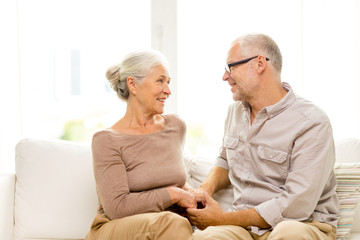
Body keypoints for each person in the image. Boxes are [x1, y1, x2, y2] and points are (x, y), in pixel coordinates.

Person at [187, 33, 340, 240]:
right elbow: (225, 161)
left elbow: (296, 206)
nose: (225, 76)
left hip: (302, 224)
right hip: (243, 225)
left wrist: (222, 219)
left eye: (230, 67)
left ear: (260, 64)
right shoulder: (234, 112)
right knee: (205, 238)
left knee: (288, 234)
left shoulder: (312, 122)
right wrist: (205, 189)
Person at [85, 50, 196, 240]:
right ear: (132, 84)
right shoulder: (106, 140)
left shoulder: (175, 126)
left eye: (168, 82)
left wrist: (192, 195)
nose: (168, 90)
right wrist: (174, 195)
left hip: (171, 228)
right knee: (172, 222)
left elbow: (169, 176)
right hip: (115, 228)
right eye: (160, 81)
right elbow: (117, 208)